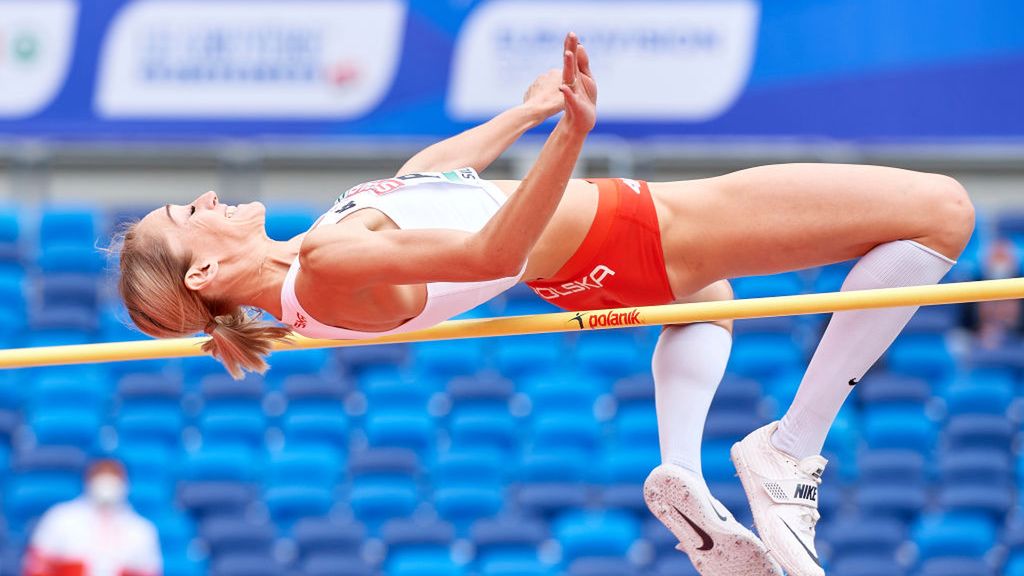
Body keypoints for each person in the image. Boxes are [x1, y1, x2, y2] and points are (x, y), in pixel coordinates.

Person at [114, 33, 974, 576]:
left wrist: (521, 114)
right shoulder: (329, 265)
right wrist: (565, 140)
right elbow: (493, 248)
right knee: (942, 211)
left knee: (708, 298)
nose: (205, 200)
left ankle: (685, 470)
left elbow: (427, 179)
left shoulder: (318, 254)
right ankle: (790, 451)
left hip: (596, 255)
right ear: (202, 277)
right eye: (189, 218)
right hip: (635, 228)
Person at [24, 459, 162, 576]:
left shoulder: (142, 530)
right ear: (88, 479)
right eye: (101, 474)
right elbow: (36, 567)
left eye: (113, 475)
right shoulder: (60, 518)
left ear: (125, 482)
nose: (107, 482)